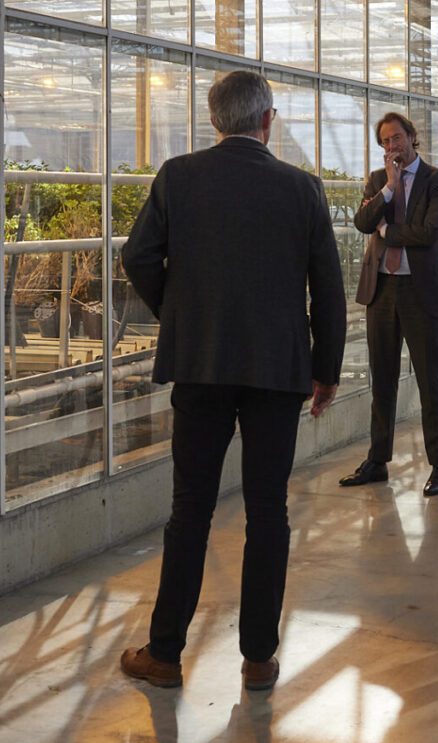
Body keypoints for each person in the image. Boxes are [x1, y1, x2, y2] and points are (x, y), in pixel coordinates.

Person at [118, 71, 346, 692]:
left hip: (201, 364)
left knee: (190, 507)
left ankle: (165, 654)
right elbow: (327, 287)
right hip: (277, 369)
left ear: (214, 119)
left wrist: (182, 314)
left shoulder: (179, 176)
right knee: (268, 509)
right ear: (267, 120)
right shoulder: (301, 188)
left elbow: (137, 256)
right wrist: (325, 369)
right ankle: (259, 658)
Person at [341, 112, 438, 497]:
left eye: (397, 138)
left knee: (430, 381)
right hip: (382, 289)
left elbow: (429, 233)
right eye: (385, 141)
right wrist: (389, 188)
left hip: (420, 291)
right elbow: (362, 222)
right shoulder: (378, 181)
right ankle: (377, 460)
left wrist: (388, 230)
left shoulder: (437, 180)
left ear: (411, 136)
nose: (392, 146)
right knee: (382, 379)